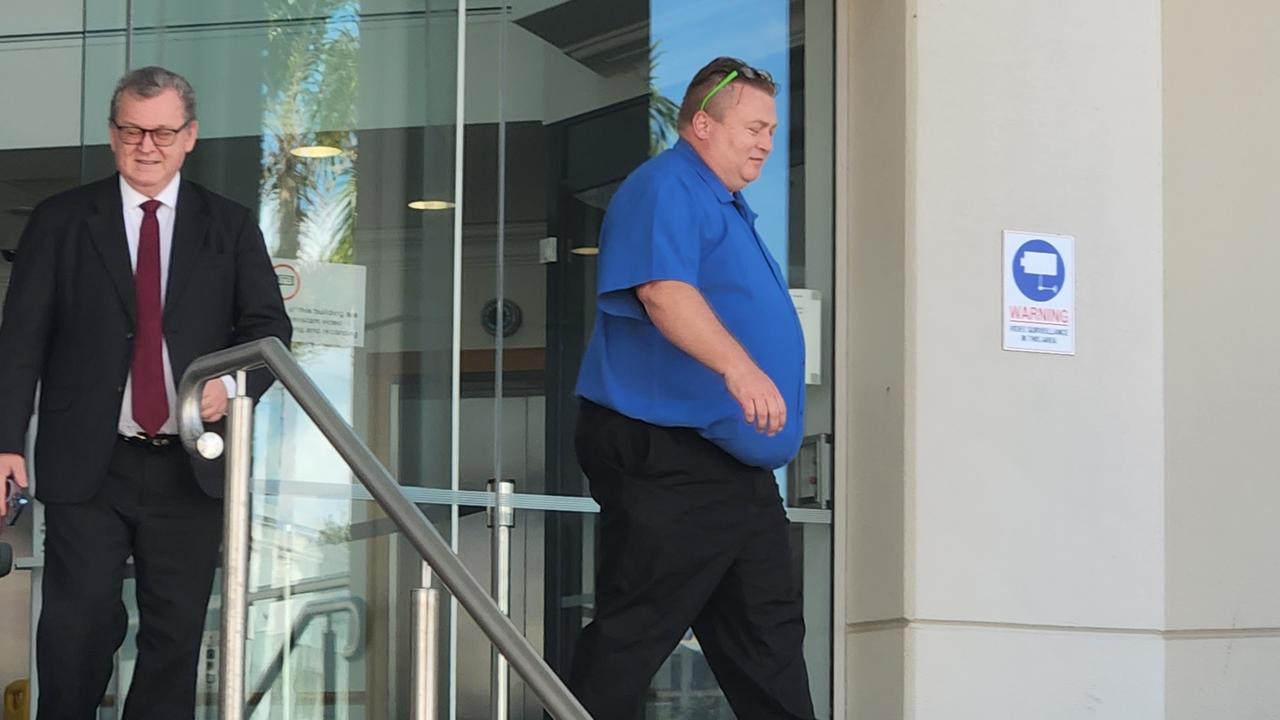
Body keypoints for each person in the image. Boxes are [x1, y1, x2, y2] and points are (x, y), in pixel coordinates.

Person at [0, 66, 291, 719]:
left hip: (191, 467)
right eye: (132, 130)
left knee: (175, 637)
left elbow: (269, 332)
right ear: (112, 134)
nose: (147, 145)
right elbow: (19, 342)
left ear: (191, 137)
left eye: (162, 131)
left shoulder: (231, 225)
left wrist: (229, 384)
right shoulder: (61, 221)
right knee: (76, 631)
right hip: (89, 462)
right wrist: (5, 443)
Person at [570, 57, 816, 719]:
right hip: (669, 452)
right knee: (639, 626)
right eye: (754, 126)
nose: (767, 141)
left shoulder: (726, 204)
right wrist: (740, 367)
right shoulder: (669, 185)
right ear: (702, 124)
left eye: (772, 129)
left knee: (767, 638)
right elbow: (662, 291)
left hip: (729, 466)